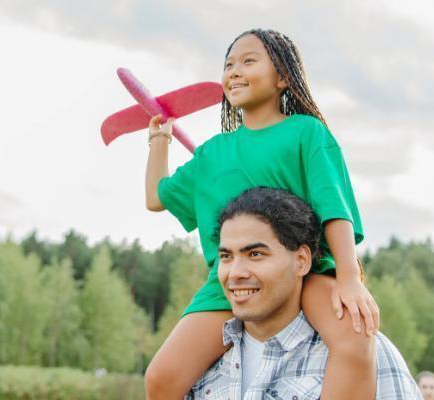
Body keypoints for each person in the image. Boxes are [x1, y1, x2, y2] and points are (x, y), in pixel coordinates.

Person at [145, 28, 379, 400]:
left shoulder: (307, 133)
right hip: (231, 284)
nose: (234, 71)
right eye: (229, 65)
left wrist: (349, 278)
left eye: (248, 61)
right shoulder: (212, 154)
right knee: (160, 377)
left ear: (283, 77)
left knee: (354, 338)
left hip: (307, 271)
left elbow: (335, 208)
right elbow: (157, 198)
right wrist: (160, 139)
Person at [185, 187, 422, 399]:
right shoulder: (199, 365)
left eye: (255, 254)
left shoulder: (367, 353)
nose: (235, 273)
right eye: (227, 257)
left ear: (301, 261)